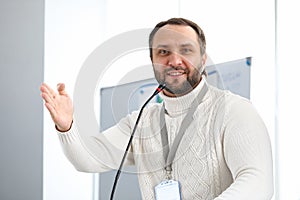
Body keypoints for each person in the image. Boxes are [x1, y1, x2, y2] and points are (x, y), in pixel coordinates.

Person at [40, 18, 274, 199]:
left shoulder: (234, 110)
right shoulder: (141, 121)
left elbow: (258, 183)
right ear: (152, 60)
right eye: (163, 52)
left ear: (203, 59)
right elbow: (88, 159)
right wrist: (66, 126)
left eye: (186, 50)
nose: (174, 60)